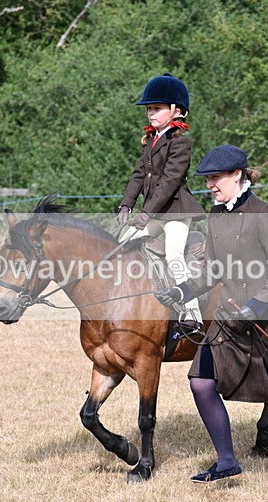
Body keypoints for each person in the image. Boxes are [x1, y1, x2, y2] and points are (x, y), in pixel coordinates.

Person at [155, 145, 268, 486]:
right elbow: (211, 270)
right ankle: (227, 461)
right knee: (201, 382)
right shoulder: (215, 216)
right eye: (208, 180)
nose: (211, 186)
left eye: (216, 178)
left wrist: (255, 307)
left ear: (238, 175)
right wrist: (182, 291)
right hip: (227, 318)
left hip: (264, 320)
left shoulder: (264, 214)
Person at [117, 73, 205, 336]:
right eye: (148, 109)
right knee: (124, 241)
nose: (150, 113)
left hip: (176, 212)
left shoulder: (181, 143)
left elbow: (169, 181)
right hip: (153, 213)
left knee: (175, 255)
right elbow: (138, 175)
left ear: (176, 111)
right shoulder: (151, 140)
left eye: (156, 108)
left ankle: (192, 315)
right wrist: (126, 205)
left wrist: (146, 213)